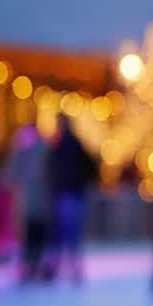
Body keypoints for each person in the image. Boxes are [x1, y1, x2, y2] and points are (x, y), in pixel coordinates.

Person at [46, 116, 96, 282]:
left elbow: (88, 165)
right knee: (68, 232)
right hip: (71, 192)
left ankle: (60, 268)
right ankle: (69, 268)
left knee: (63, 232)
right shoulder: (71, 144)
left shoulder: (63, 145)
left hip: (68, 192)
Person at [7, 124, 49, 282]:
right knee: (34, 235)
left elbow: (12, 176)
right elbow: (12, 176)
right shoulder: (39, 150)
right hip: (34, 204)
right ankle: (32, 266)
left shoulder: (27, 151)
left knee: (32, 235)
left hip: (32, 204)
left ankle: (31, 266)